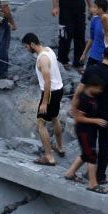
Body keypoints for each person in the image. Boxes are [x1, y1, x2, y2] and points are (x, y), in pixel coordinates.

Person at [66, 46, 108, 187]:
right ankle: (99, 177)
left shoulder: (91, 70)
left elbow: (79, 89)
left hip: (90, 113)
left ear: (103, 55)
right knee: (104, 147)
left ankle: (82, 173)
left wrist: (73, 108)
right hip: (107, 116)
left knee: (90, 145)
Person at [22, 32, 65, 166]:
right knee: (54, 118)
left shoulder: (42, 59)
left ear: (33, 44)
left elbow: (47, 82)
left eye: (26, 46)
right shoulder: (49, 50)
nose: (26, 49)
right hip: (59, 89)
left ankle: (49, 157)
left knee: (41, 124)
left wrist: (44, 102)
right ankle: (60, 147)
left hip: (50, 92)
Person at [64, 76, 107, 193]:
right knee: (91, 155)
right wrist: (96, 121)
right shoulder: (83, 99)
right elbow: (78, 118)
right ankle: (92, 183)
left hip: (89, 130)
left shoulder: (92, 97)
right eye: (99, 89)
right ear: (92, 86)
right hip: (84, 131)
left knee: (86, 153)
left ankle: (70, 173)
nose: (100, 91)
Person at [81, 0, 108, 66]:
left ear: (100, 9)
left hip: (104, 57)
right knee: (88, 75)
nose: (92, 8)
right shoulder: (94, 20)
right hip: (93, 55)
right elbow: (91, 38)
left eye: (95, 7)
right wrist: (84, 54)